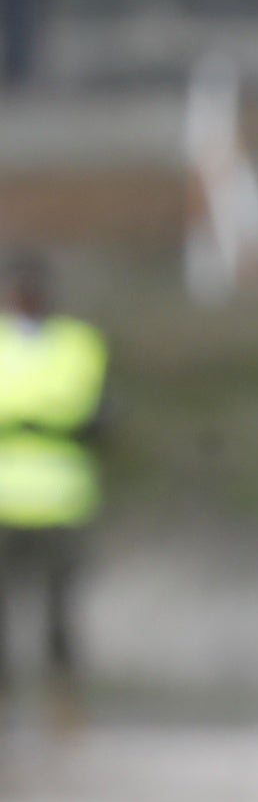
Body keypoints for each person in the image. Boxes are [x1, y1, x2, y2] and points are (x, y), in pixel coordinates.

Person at [0, 252, 105, 727]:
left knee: (59, 612)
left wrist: (29, 418)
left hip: (62, 497)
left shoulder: (77, 343)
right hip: (6, 497)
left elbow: (81, 406)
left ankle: (64, 703)